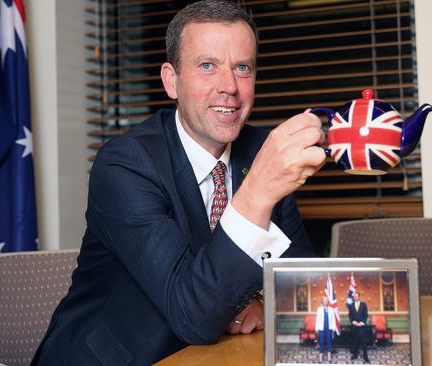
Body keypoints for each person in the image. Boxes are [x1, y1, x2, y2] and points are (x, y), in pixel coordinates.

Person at [30, 1, 325, 365]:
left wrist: (261, 301)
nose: (229, 87)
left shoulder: (258, 153)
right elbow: (194, 315)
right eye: (207, 66)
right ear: (172, 81)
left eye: (242, 68)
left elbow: (304, 284)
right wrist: (259, 191)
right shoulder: (125, 164)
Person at [348, 292, 371, 363]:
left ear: (359, 297)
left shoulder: (363, 304)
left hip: (361, 326)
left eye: (356, 296)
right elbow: (350, 315)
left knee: (363, 342)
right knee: (355, 341)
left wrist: (362, 322)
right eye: (354, 297)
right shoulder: (351, 305)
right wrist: (353, 322)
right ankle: (355, 354)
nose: (355, 298)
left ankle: (365, 356)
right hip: (354, 326)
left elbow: (365, 315)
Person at [315, 296, 337, 363]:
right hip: (321, 328)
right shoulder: (319, 309)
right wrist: (316, 328)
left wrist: (333, 328)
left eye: (326, 300)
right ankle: (320, 356)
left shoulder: (331, 309)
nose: (325, 301)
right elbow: (317, 319)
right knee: (321, 342)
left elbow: (333, 319)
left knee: (329, 342)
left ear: (328, 302)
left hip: (329, 328)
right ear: (322, 301)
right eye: (324, 300)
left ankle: (329, 356)